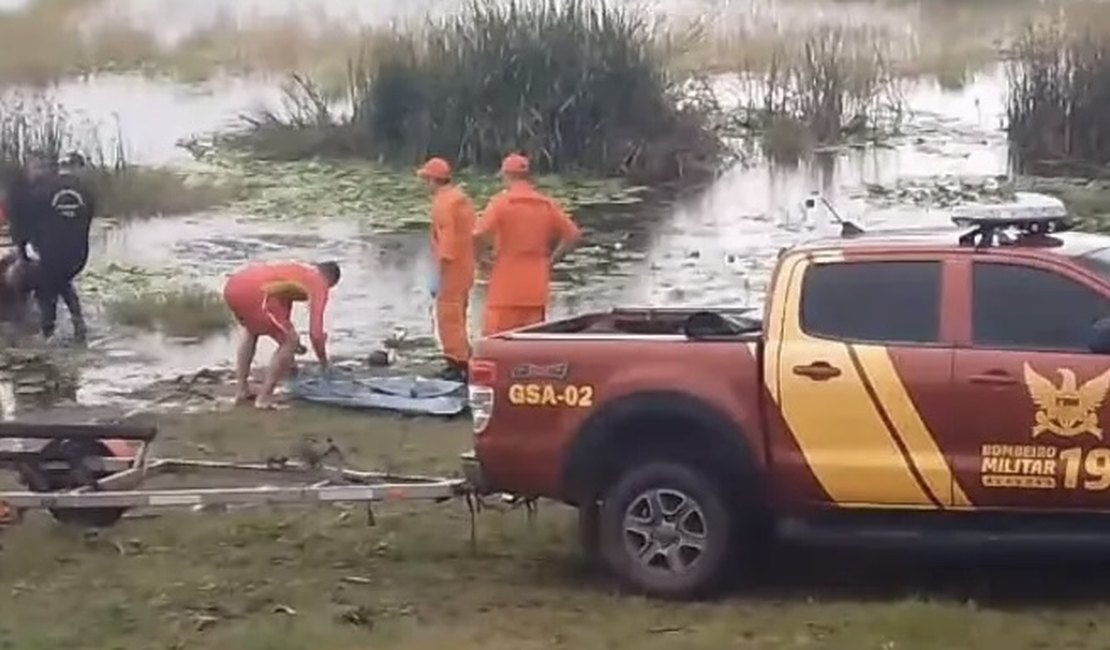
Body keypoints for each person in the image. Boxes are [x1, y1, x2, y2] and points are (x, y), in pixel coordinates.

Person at [476, 153, 581, 336]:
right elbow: (573, 235)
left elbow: (478, 234)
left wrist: (481, 259)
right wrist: (551, 261)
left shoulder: (501, 203)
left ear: (506, 175)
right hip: (536, 286)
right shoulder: (546, 204)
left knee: (496, 343)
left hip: (505, 286)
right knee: (530, 344)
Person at [222, 260, 341, 409]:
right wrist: (324, 362)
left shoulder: (298, 272)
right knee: (290, 341)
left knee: (252, 330)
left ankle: (242, 389)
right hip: (259, 291)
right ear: (331, 281)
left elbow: (281, 317)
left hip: (234, 285)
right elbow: (316, 334)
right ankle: (264, 399)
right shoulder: (319, 283)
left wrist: (291, 348)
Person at [6, 150, 95, 343]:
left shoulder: (44, 189)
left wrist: (23, 251)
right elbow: (87, 221)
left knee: (42, 285)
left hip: (50, 254)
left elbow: (26, 222)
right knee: (60, 280)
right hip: (78, 256)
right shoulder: (87, 192)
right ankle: (78, 325)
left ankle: (46, 334)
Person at [417, 157, 476, 381]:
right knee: (459, 315)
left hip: (451, 269)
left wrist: (438, 274)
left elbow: (447, 242)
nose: (425, 184)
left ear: (434, 179)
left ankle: (457, 364)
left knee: (448, 317)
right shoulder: (461, 199)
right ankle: (465, 357)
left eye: (426, 180)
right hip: (466, 265)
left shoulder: (443, 204)